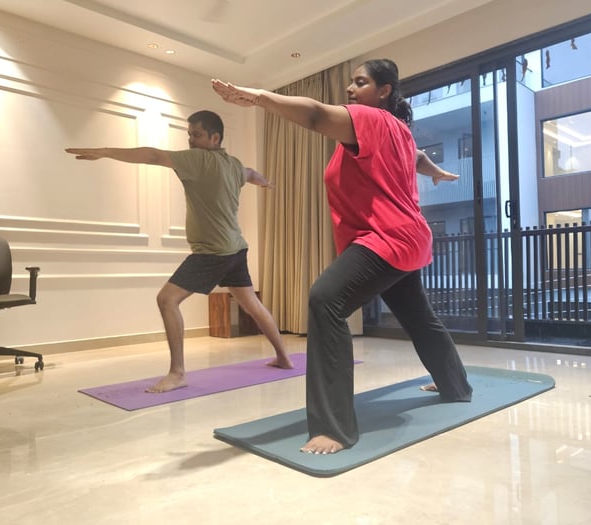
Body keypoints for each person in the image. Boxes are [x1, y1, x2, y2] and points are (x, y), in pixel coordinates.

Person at [212, 58, 472, 454]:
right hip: (409, 236)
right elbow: (417, 156)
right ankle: (455, 385)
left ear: (383, 91)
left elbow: (316, 115)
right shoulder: (397, 129)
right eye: (351, 83)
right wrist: (435, 170)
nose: (350, 89)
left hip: (386, 237)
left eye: (360, 82)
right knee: (418, 315)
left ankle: (334, 428)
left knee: (326, 300)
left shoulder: (370, 119)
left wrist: (260, 97)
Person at [66, 110, 294, 393]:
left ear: (215, 138)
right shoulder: (234, 164)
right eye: (189, 135)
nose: (191, 140)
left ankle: (177, 373)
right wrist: (264, 181)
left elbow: (153, 156)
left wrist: (105, 151)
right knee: (252, 305)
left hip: (213, 252)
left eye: (196, 135)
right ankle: (283, 358)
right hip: (236, 248)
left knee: (167, 299)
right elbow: (250, 173)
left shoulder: (197, 159)